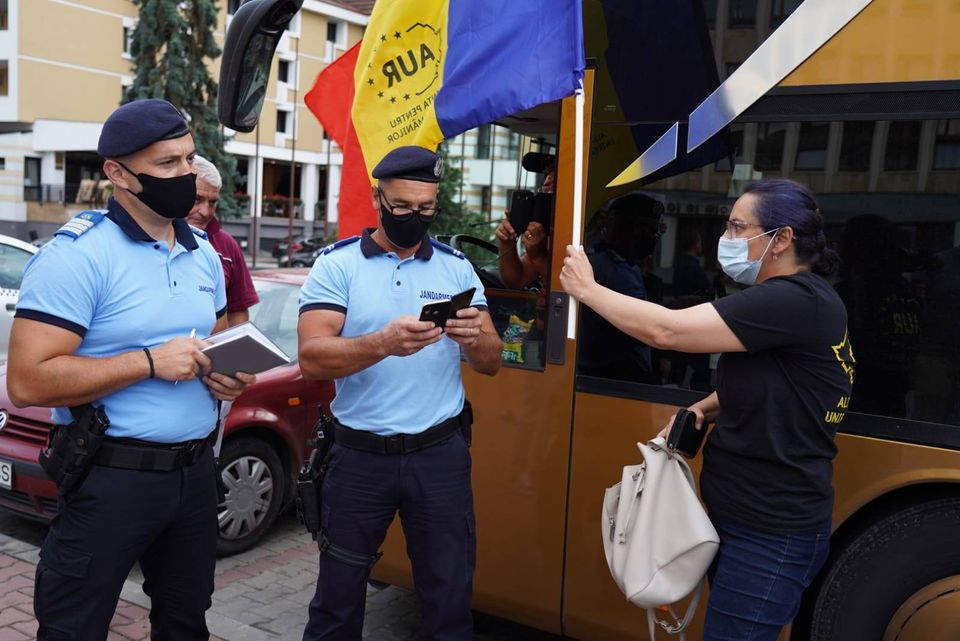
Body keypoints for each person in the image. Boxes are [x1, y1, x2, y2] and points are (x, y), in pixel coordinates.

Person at [560, 179, 854, 641]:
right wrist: (705, 407)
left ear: (781, 239)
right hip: (747, 519)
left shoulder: (791, 299)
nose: (728, 238)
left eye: (739, 227)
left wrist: (588, 289)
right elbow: (787, 384)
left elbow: (668, 333)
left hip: (768, 533)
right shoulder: (799, 301)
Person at [8, 98, 255, 641]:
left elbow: (212, 344)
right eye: (167, 164)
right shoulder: (78, 255)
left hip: (194, 476)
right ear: (118, 174)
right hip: (110, 478)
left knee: (186, 622)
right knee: (74, 627)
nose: (185, 174)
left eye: (190, 159)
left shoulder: (205, 256)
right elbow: (26, 381)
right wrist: (146, 362)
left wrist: (229, 376)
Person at [297, 145, 502, 641]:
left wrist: (478, 339)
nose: (416, 217)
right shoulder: (337, 265)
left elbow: (492, 363)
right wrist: (381, 343)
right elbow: (312, 357)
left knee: (449, 597)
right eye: (404, 207)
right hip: (359, 458)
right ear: (378, 198)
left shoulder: (456, 269)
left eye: (427, 209)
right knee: (338, 601)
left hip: (440, 457)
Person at [577, 192, 664, 383]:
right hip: (616, 380)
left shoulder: (613, 263)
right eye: (648, 230)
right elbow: (644, 329)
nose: (652, 238)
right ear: (631, 229)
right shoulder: (613, 268)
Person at [187, 155, 260, 326]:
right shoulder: (153, 236)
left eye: (212, 202)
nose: (205, 211)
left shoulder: (226, 245)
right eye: (197, 199)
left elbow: (238, 313)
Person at [495, 165, 554, 290]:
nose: (546, 184)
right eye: (544, 190)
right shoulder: (547, 234)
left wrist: (539, 257)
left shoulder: (577, 231)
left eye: (552, 189)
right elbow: (516, 280)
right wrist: (507, 242)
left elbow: (568, 291)